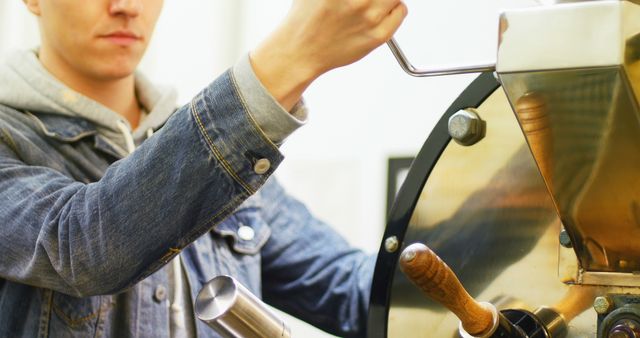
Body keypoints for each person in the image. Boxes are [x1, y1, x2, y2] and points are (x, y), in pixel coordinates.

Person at [0, 0, 407, 337]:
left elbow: (350, 288)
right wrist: (291, 57)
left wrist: (462, 250)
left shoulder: (204, 147)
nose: (125, 7)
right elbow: (81, 246)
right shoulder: (10, 139)